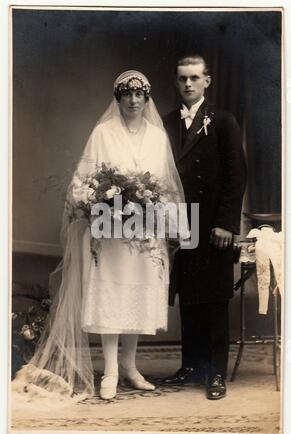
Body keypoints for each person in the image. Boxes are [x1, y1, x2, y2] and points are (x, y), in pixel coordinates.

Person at [12, 70, 184, 402]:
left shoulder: (157, 137)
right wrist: (99, 198)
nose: (133, 101)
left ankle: (130, 366)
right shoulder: (103, 133)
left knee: (138, 296)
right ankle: (110, 371)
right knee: (112, 297)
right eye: (126, 94)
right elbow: (82, 181)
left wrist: (157, 207)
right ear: (117, 98)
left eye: (139, 95)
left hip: (144, 232)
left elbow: (165, 185)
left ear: (146, 98)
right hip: (110, 232)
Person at [161, 54, 247, 399]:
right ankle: (191, 366)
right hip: (182, 223)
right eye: (182, 78)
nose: (188, 84)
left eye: (195, 78)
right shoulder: (166, 122)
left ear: (207, 81)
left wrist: (227, 223)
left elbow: (236, 175)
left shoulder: (223, 121)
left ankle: (215, 374)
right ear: (176, 81)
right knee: (190, 298)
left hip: (213, 224)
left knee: (213, 300)